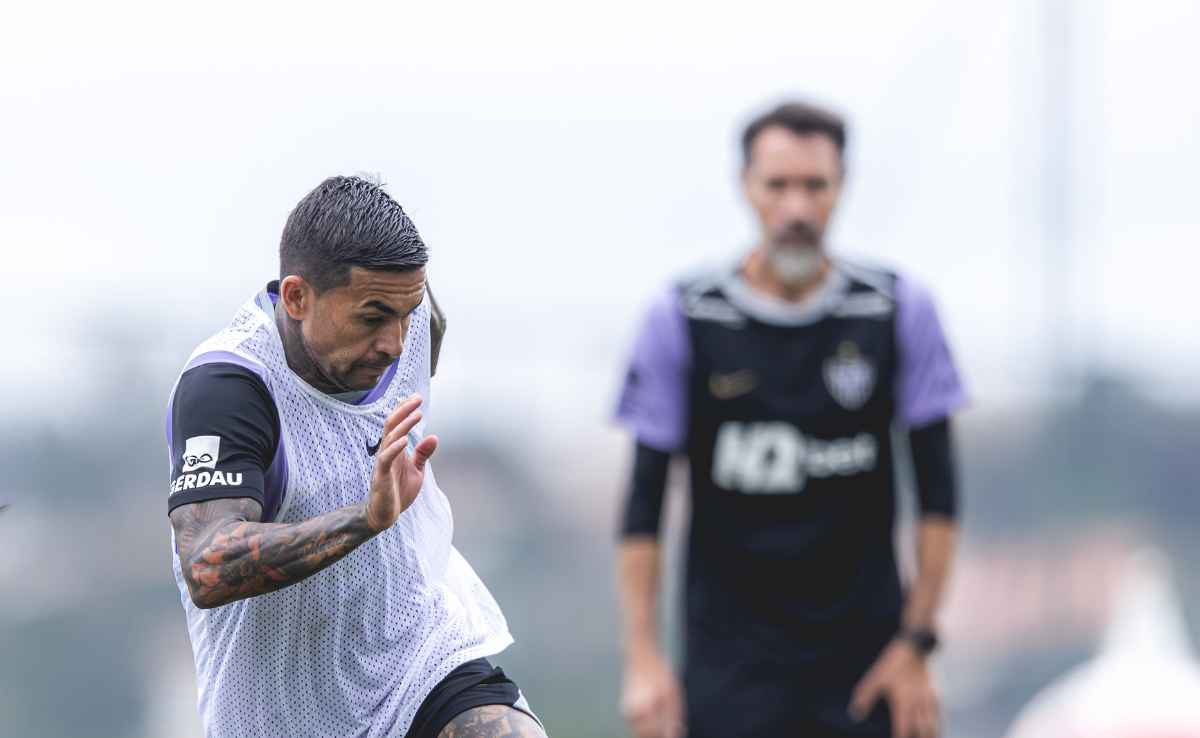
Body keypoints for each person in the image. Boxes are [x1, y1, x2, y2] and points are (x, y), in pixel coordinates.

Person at [614, 102, 968, 738]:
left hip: (867, 660)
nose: (797, 209)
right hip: (732, 660)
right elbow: (643, 501)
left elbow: (938, 491)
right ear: (745, 186)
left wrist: (917, 643)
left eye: (815, 185)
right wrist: (642, 658)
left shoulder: (896, 309)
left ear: (842, 186)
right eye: (779, 185)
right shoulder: (684, 316)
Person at [166, 175, 546, 738]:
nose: (395, 342)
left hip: (423, 662)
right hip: (283, 713)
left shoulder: (405, 319)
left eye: (406, 314)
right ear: (296, 297)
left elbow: (416, 322)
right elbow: (208, 565)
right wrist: (366, 519)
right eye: (372, 318)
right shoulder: (227, 387)